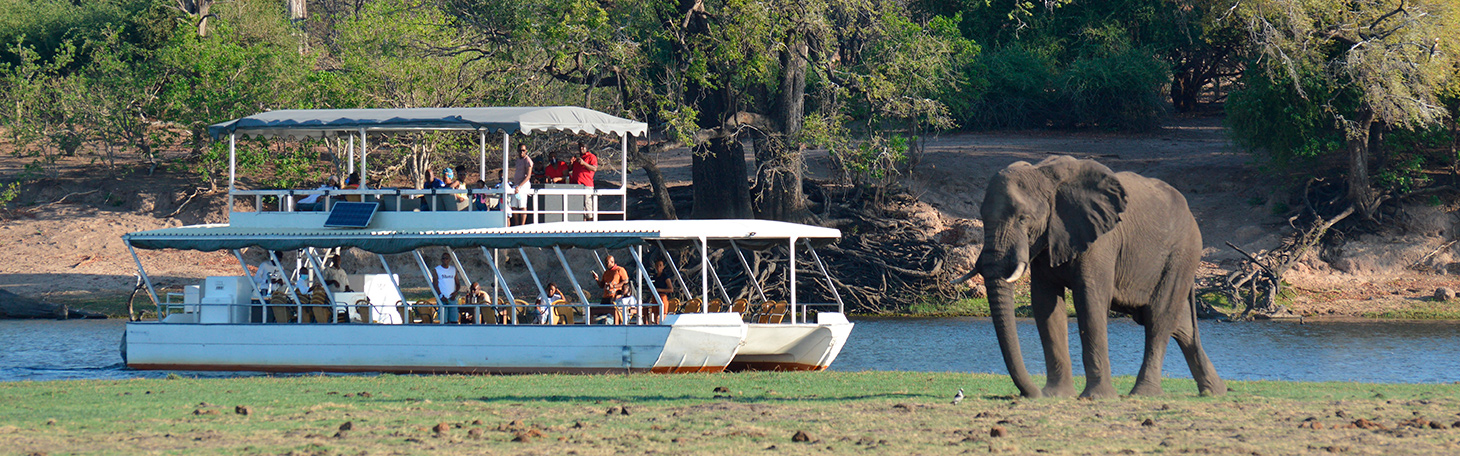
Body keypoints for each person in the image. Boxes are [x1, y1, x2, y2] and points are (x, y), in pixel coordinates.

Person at [591, 255, 628, 324]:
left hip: (615, 297)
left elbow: (625, 281)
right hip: (606, 297)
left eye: (607, 262)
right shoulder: (606, 273)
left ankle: (613, 325)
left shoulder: (620, 270)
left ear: (612, 262)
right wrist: (596, 279)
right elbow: (602, 285)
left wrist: (614, 286)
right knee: (600, 315)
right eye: (605, 262)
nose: (606, 264)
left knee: (612, 315)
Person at [569, 142, 598, 219]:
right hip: (576, 185)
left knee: (587, 205)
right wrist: (571, 163)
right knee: (578, 206)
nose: (581, 148)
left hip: (586, 185)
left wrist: (584, 163)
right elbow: (569, 169)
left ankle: (590, 223)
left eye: (583, 146)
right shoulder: (577, 158)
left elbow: (594, 168)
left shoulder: (591, 157)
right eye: (580, 147)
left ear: (587, 147)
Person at [432, 252, 462, 323]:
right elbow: (435, 284)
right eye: (443, 258)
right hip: (442, 299)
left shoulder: (453, 269)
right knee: (443, 321)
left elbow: (458, 283)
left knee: (454, 320)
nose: (445, 260)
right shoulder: (437, 270)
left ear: (449, 260)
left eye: (446, 258)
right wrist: (440, 295)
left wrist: (455, 293)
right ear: (441, 260)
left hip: (452, 298)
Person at [510, 144, 534, 226]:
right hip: (516, 185)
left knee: (522, 205)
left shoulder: (528, 161)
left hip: (523, 185)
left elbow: (528, 176)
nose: (521, 152)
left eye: (523, 150)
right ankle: (516, 225)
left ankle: (522, 226)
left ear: (526, 151)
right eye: (520, 150)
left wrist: (519, 186)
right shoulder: (518, 160)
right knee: (514, 204)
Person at [648, 257, 673, 325]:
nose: (658, 267)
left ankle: (662, 324)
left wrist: (659, 290)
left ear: (663, 267)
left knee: (662, 313)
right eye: (657, 265)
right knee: (655, 313)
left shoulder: (665, 276)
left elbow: (671, 289)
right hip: (655, 296)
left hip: (662, 296)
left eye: (660, 265)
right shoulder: (654, 276)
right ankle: (656, 324)